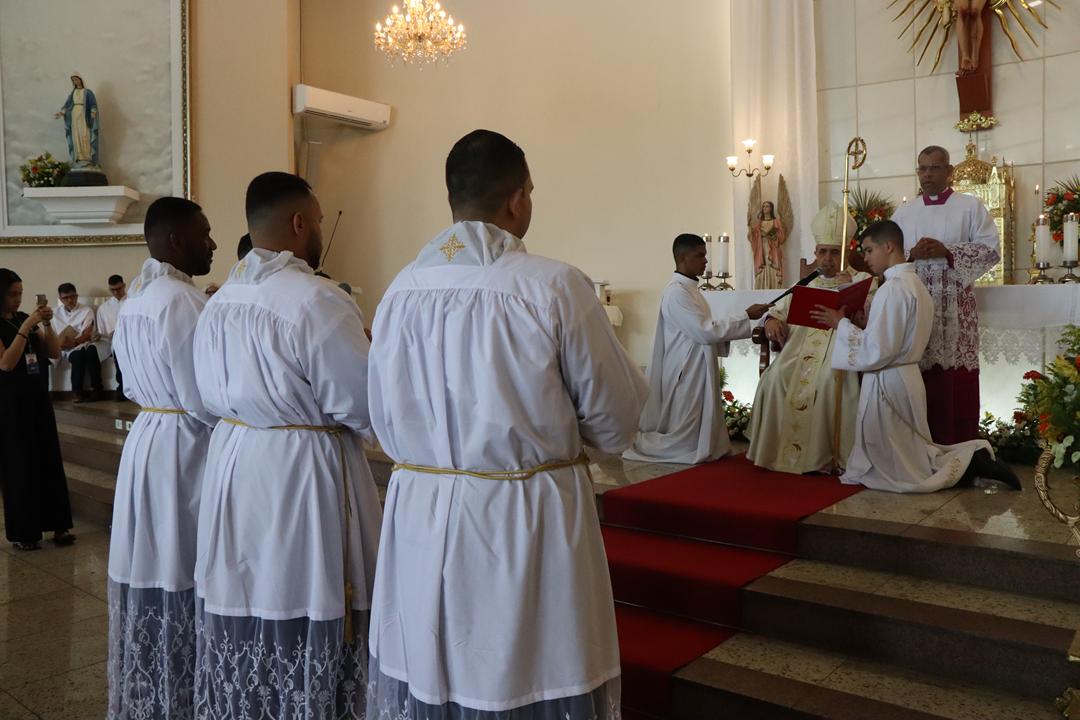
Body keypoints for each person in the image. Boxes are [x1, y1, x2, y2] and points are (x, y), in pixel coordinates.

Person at [366, 129, 648, 719]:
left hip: (421, 510)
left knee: (437, 666)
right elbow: (614, 414)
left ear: (452, 198)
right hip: (526, 513)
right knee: (529, 671)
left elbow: (381, 413)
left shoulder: (400, 290)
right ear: (517, 199)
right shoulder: (553, 285)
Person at [192, 172, 381, 717]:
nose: (320, 229)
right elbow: (361, 403)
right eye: (318, 220)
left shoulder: (220, 301)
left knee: (252, 594)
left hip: (235, 463)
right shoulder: (318, 299)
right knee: (303, 590)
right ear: (300, 223)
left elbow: (206, 394)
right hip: (301, 470)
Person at [106, 198, 218, 719]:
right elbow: (203, 396)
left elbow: (129, 384)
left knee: (154, 556)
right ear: (176, 239)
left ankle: (155, 682)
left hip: (149, 435)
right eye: (204, 233)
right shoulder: (183, 302)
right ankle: (187, 685)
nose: (213, 244)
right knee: (182, 555)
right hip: (185, 444)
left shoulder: (137, 299)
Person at [811, 220, 1019, 493]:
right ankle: (970, 461)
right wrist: (864, 324)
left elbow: (878, 350)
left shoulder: (893, 288)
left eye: (869, 250)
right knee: (911, 453)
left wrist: (840, 324)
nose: (866, 258)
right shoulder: (914, 283)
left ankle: (970, 462)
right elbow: (893, 337)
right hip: (904, 376)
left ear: (888, 247)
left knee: (904, 469)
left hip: (889, 380)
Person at [747, 203, 873, 474]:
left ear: (847, 252)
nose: (827, 259)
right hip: (798, 352)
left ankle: (823, 458)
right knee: (775, 378)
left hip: (840, 352)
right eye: (822, 252)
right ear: (815, 253)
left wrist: (848, 287)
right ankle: (774, 452)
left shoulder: (863, 279)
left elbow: (872, 316)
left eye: (834, 252)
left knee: (828, 382)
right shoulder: (807, 282)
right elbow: (776, 309)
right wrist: (770, 321)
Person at [623, 233, 768, 464]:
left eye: (705, 255)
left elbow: (704, 328)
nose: (705, 261)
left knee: (693, 421)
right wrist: (745, 315)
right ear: (682, 258)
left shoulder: (690, 290)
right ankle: (653, 446)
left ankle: (705, 446)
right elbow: (704, 331)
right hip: (685, 366)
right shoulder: (677, 292)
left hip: (695, 362)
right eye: (700, 256)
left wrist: (743, 320)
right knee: (684, 428)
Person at [891, 145, 999, 445]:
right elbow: (889, 254)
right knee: (917, 374)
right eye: (922, 168)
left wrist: (947, 251)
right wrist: (911, 253)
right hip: (914, 305)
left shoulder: (970, 206)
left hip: (954, 308)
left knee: (955, 379)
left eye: (935, 168)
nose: (927, 174)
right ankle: (918, 449)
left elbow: (990, 249)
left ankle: (959, 447)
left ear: (949, 172)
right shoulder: (905, 212)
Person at [0, 269, 75, 551]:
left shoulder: (23, 318)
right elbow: (6, 363)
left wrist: (46, 325)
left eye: (20, 293)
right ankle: (26, 531)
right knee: (21, 465)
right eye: (13, 294)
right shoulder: (13, 323)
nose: (18, 299)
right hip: (11, 403)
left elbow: (53, 352)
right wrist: (25, 327)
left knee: (48, 459)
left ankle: (59, 524)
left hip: (37, 398)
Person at [52, 282, 105, 402]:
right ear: (60, 299)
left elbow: (87, 333)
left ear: (77, 296)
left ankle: (77, 392)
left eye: (72, 296)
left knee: (79, 355)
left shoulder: (86, 310)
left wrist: (73, 343)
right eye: (65, 298)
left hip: (78, 345)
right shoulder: (54, 313)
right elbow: (51, 332)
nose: (70, 300)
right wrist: (58, 344)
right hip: (59, 346)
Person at [55, 72, 100, 168]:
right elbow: (68, 105)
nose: (75, 81)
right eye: (73, 80)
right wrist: (62, 112)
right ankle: (78, 157)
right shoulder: (73, 93)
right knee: (76, 135)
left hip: (84, 115)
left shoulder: (87, 92)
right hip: (74, 115)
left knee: (85, 134)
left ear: (80, 80)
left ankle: (87, 157)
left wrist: (93, 112)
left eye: (76, 79)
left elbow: (93, 104)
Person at [96, 274, 126, 400]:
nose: (116, 292)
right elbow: (101, 331)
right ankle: (121, 388)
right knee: (117, 348)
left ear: (124, 286)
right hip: (111, 342)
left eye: (118, 289)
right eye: (112, 290)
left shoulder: (133, 302)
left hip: (130, 340)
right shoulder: (103, 308)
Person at [750, 199, 787, 289]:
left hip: (773, 247)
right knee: (763, 264)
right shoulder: (759, 223)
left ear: (771, 208)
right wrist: (756, 233)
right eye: (763, 206)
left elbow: (782, 237)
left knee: (773, 264)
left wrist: (775, 236)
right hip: (762, 247)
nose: (765, 208)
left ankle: (773, 285)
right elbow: (752, 236)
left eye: (767, 206)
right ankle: (762, 285)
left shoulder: (776, 221)